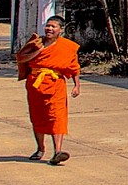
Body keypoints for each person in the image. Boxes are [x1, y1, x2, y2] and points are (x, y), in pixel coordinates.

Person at [15, 16, 81, 165]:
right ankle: (40, 148)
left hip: (56, 83)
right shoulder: (36, 43)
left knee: (57, 116)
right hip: (36, 84)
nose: (49, 29)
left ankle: (58, 151)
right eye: (48, 26)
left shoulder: (68, 46)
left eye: (53, 27)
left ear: (61, 30)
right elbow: (21, 57)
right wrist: (36, 52)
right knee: (38, 116)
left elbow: (74, 67)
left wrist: (76, 85)